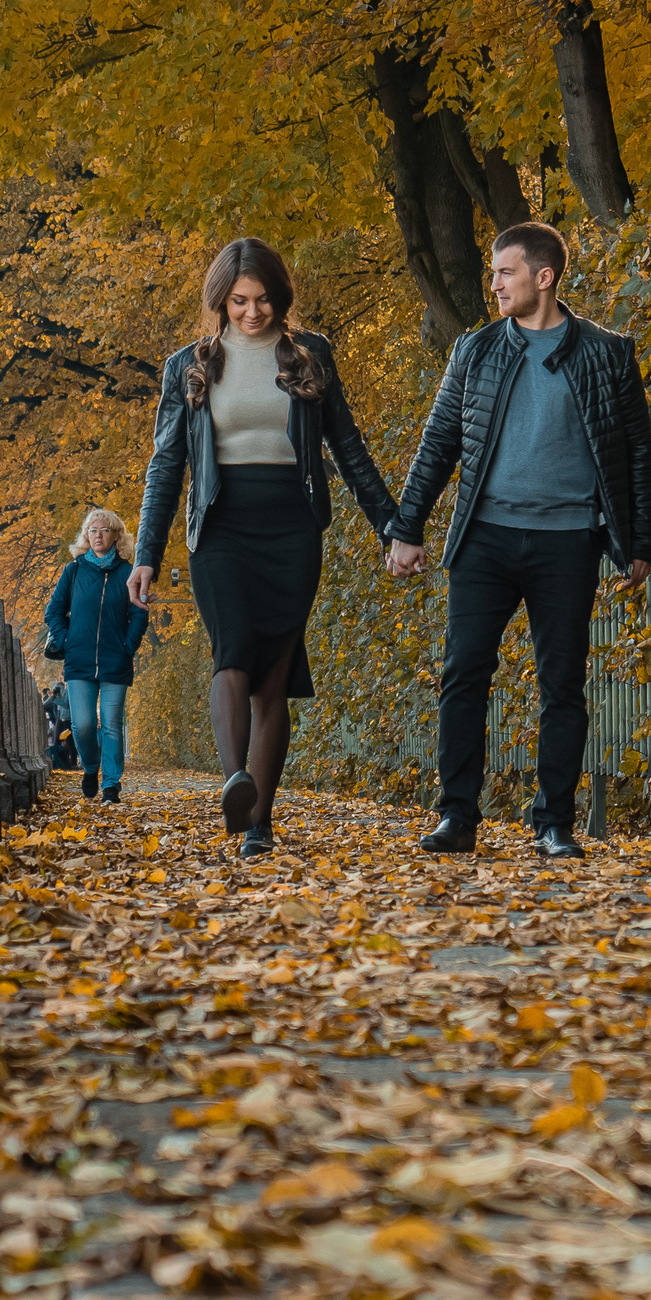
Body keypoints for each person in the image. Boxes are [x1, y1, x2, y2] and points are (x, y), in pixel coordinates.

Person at [386, 221, 651, 859]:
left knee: (563, 682)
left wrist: (638, 542)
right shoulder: (475, 351)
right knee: (463, 676)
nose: (495, 283)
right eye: (493, 272)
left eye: (506, 272)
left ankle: (554, 823)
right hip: (485, 539)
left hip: (569, 541)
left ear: (544, 277)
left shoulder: (608, 353)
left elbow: (637, 454)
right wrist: (407, 527)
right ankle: (457, 816)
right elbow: (438, 446)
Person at [131, 237, 399, 857]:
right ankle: (235, 782)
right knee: (231, 654)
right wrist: (146, 552)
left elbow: (348, 448)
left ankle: (260, 823)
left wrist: (392, 526)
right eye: (240, 301)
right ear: (219, 301)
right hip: (220, 526)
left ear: (281, 298)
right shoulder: (188, 366)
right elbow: (165, 466)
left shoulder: (311, 355)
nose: (253, 313)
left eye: (265, 301)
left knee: (273, 678)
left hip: (292, 526)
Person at [42, 508, 150, 802]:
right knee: (84, 724)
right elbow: (53, 611)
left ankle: (111, 785)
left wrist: (128, 645)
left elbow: (139, 614)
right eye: (92, 530)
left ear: (116, 536)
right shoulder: (73, 570)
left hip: (117, 659)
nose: (98, 535)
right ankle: (91, 767)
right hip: (79, 661)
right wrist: (67, 640)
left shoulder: (129, 573)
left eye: (104, 530)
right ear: (86, 537)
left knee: (113, 723)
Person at [44, 682, 77, 773]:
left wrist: (53, 698)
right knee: (68, 741)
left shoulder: (68, 689)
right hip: (64, 718)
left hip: (67, 718)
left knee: (70, 742)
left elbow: (65, 704)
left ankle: (72, 763)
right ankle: (70, 763)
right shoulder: (66, 689)